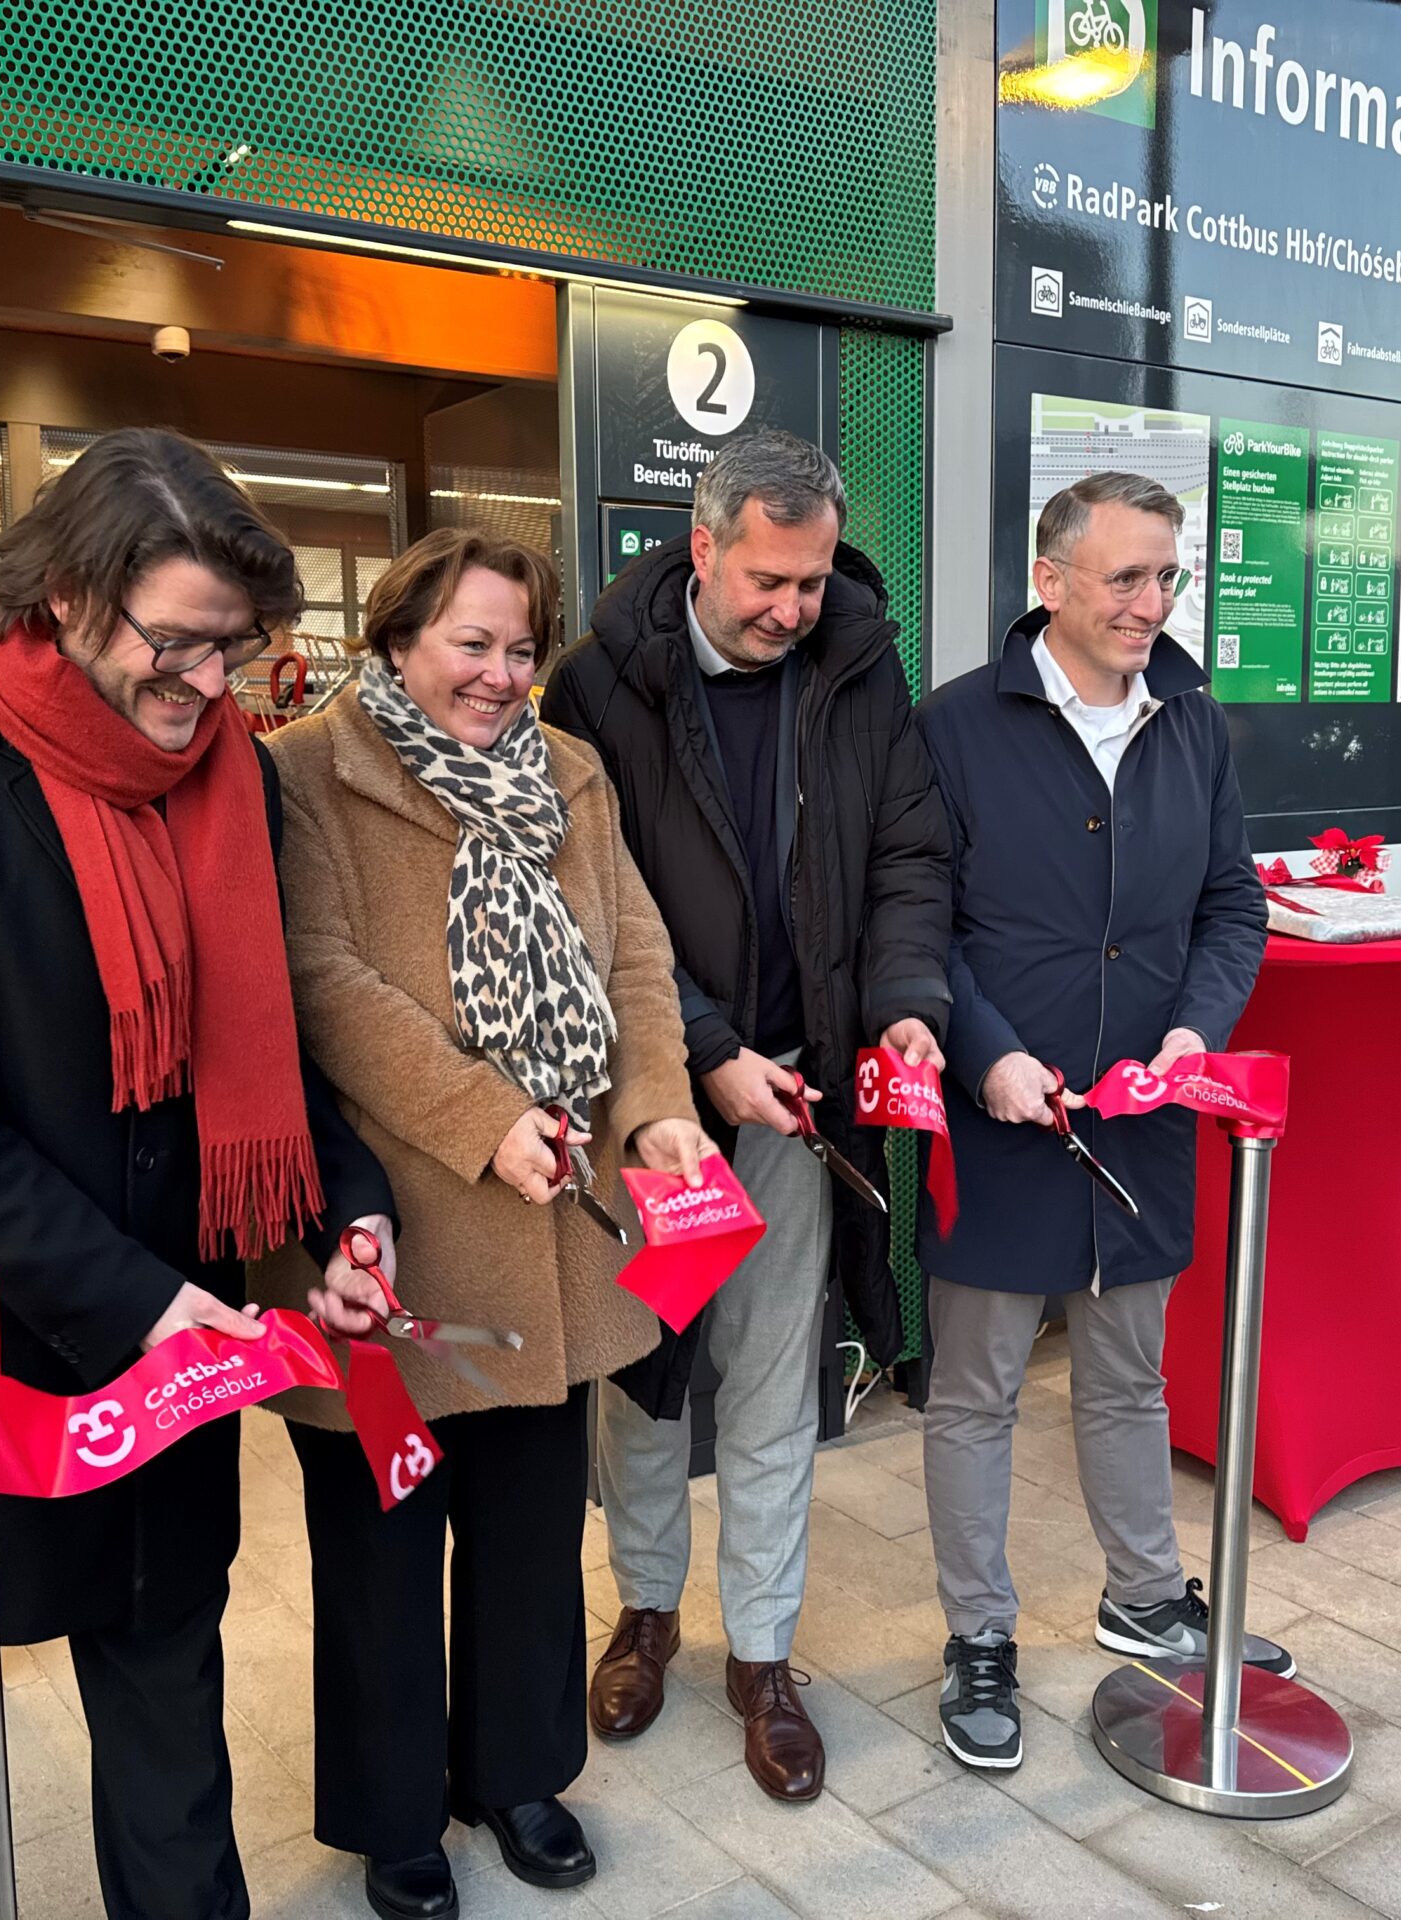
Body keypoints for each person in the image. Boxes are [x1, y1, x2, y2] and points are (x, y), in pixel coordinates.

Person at [0, 428, 397, 1920]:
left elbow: (263, 1045)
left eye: (233, 648)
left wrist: (346, 1210)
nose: (208, 685)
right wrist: (134, 1299)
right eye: (175, 642)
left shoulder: (232, 785)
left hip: (168, 1327)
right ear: (64, 596)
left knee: (164, 1684)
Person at [252, 527, 710, 1920]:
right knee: (381, 1549)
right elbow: (317, 978)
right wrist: (479, 1113)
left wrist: (657, 1109)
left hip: (554, 1227)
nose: (501, 675)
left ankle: (517, 1774)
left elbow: (638, 957)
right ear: (397, 639)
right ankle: (395, 1813)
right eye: (471, 643)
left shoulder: (571, 772)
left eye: (521, 648)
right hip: (385, 1228)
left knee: (526, 1535)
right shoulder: (306, 773)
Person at [540, 429, 952, 1803]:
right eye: (767, 581)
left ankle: (764, 1652)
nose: (792, 609)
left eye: (812, 581)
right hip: (656, 1100)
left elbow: (908, 851)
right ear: (702, 548)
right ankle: (648, 1609)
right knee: (645, 1379)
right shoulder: (597, 682)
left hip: (798, 1099)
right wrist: (703, 1054)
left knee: (779, 1383)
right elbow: (590, 906)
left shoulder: (861, 661)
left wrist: (905, 1004)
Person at [913, 470, 1283, 1774]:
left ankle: (1145, 1597)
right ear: (1049, 579)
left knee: (1131, 1374)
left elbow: (1231, 904)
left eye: (1168, 575)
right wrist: (988, 1056)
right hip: (999, 1118)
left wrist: (1197, 1032)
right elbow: (917, 924)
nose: (1152, 602)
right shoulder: (955, 727)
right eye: (1126, 575)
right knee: (976, 1392)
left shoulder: (1194, 722)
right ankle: (979, 1636)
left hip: (1144, 1120)